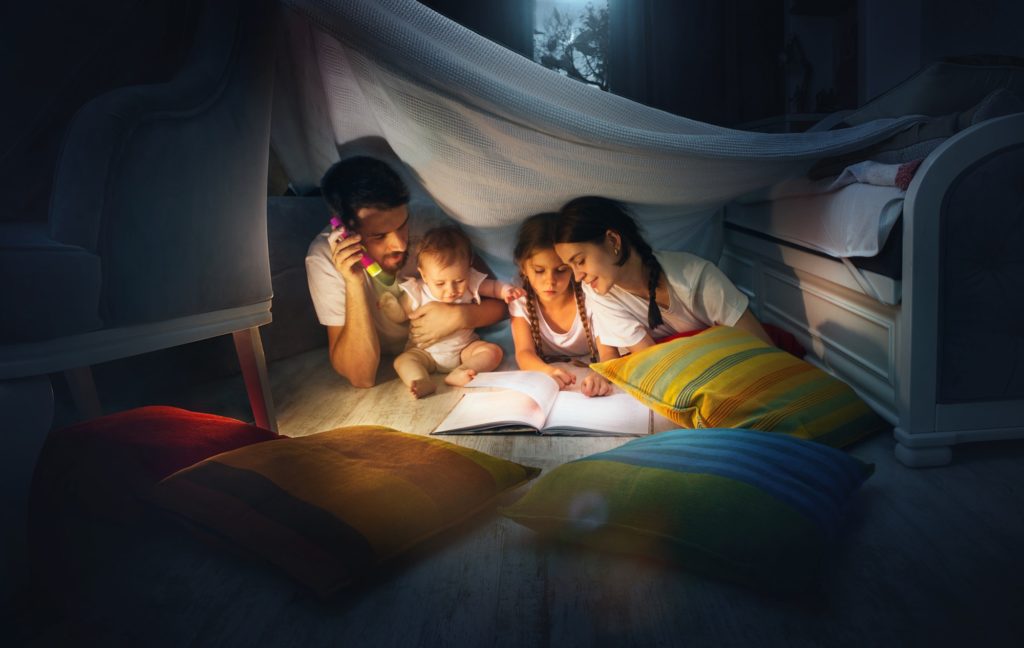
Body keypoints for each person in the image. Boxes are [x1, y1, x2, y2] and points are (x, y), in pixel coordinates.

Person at [305, 156, 507, 388]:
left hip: (460, 351)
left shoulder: (432, 225)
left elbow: (499, 305)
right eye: (379, 236)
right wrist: (354, 283)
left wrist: (460, 316)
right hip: (413, 359)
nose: (400, 245)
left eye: (403, 225)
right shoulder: (324, 259)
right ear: (345, 233)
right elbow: (361, 376)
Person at [553, 196, 772, 355]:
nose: (578, 276)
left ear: (613, 241)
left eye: (580, 261)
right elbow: (653, 361)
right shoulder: (598, 293)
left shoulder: (695, 277)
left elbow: (765, 349)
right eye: (569, 267)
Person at [379, 225, 521, 398]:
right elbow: (401, 313)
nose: (451, 290)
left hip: (464, 349)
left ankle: (462, 371)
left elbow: (491, 288)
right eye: (440, 283)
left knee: (493, 352)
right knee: (403, 361)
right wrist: (391, 307)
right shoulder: (417, 291)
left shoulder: (470, 282)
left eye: (459, 280)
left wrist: (505, 290)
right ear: (424, 275)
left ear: (468, 269)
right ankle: (420, 379)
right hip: (425, 353)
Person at [508, 213, 615, 397]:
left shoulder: (590, 296)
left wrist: (601, 375)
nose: (550, 281)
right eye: (539, 271)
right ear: (523, 267)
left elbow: (609, 352)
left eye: (561, 270)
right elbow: (524, 353)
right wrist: (546, 372)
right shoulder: (521, 300)